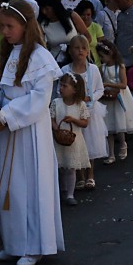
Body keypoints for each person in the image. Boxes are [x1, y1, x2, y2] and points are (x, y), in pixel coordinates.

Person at [0, 0, 64, 265]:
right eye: (1, 25)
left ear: (26, 25)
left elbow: (39, 100)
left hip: (29, 131)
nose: (4, 31)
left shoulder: (40, 57)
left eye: (9, 26)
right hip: (6, 130)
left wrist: (7, 114)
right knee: (8, 187)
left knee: (29, 186)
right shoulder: (6, 54)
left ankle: (34, 245)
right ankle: (13, 244)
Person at [63, 36, 107, 190]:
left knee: (90, 144)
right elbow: (59, 91)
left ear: (88, 51)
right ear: (70, 51)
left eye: (83, 48)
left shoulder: (93, 70)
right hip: (71, 112)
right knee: (76, 144)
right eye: (76, 48)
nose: (80, 51)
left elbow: (100, 89)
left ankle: (90, 175)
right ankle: (79, 176)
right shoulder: (65, 71)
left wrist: (91, 97)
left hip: (89, 112)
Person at [98, 40, 133, 160]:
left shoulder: (119, 66)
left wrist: (108, 84)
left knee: (119, 123)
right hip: (107, 98)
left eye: (102, 56)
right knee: (108, 126)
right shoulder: (102, 68)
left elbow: (124, 84)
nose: (101, 59)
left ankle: (123, 144)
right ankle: (111, 154)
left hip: (119, 98)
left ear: (111, 54)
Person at [51, 73, 90, 207]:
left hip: (74, 141)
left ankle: (70, 194)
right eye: (60, 85)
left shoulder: (80, 105)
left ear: (74, 89)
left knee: (71, 167)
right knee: (60, 167)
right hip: (58, 140)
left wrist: (74, 120)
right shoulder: (56, 103)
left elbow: (85, 123)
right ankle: (62, 189)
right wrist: (56, 128)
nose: (60, 88)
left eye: (64, 86)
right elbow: (51, 118)